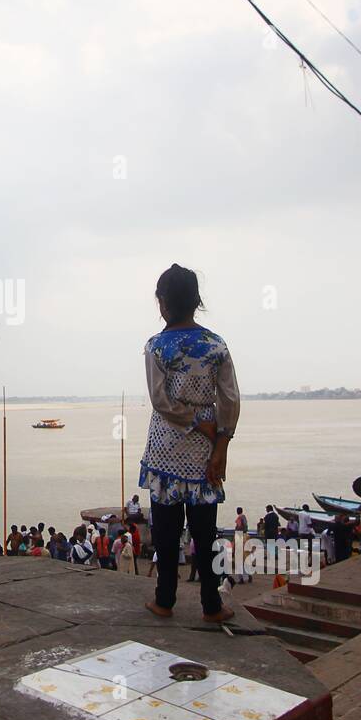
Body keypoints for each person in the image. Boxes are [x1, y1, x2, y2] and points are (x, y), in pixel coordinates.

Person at [139, 265, 241, 624]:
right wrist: (220, 442)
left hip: (165, 451)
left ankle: (164, 599)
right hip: (205, 455)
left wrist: (195, 422)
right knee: (206, 532)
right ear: (197, 301)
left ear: (162, 303)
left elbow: (160, 401)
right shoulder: (216, 346)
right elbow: (229, 399)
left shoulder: (156, 347)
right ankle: (212, 605)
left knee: (165, 534)